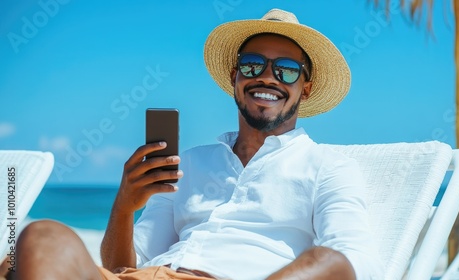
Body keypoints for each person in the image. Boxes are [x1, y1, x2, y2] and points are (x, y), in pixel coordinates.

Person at [5, 8, 384, 280]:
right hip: (150, 275)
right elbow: (125, 265)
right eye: (253, 65)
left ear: (306, 87)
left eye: (286, 70)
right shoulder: (190, 162)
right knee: (40, 238)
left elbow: (355, 262)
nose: (267, 78)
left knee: (325, 259)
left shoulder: (327, 168)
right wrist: (124, 206)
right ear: (236, 76)